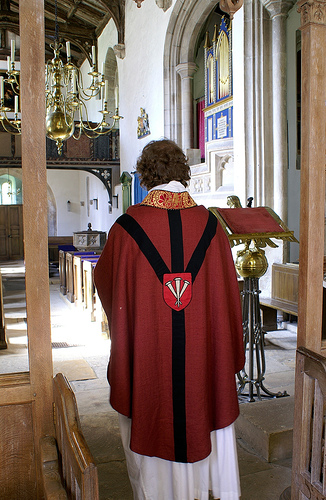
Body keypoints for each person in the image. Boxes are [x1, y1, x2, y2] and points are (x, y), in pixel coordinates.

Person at [94, 139, 245, 500]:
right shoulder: (212, 226)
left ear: (145, 175)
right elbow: (228, 297)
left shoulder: (126, 229)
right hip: (202, 363)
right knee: (201, 401)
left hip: (150, 357)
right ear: (183, 172)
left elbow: (107, 283)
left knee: (151, 398)